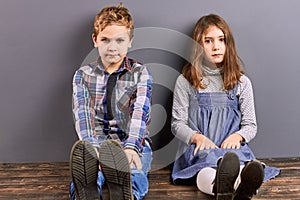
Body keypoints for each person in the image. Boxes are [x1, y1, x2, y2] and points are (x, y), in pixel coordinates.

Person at [171, 14, 280, 200]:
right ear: (198, 45)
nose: (216, 46)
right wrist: (196, 137)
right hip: (201, 151)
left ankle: (239, 186)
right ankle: (222, 187)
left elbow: (251, 124)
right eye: (208, 41)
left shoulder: (242, 82)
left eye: (221, 40)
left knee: (242, 167)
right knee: (205, 172)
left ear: (228, 43)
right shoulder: (185, 81)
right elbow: (177, 123)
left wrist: (238, 136)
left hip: (232, 151)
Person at [69, 3, 152, 200]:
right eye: (105, 40)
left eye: (119, 40)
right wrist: (92, 149)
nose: (112, 47)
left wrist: (131, 147)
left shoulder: (140, 73)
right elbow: (83, 114)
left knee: (135, 172)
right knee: (89, 174)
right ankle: (86, 193)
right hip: (97, 140)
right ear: (95, 40)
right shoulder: (82, 75)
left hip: (131, 141)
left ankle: (127, 193)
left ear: (130, 41)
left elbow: (140, 112)